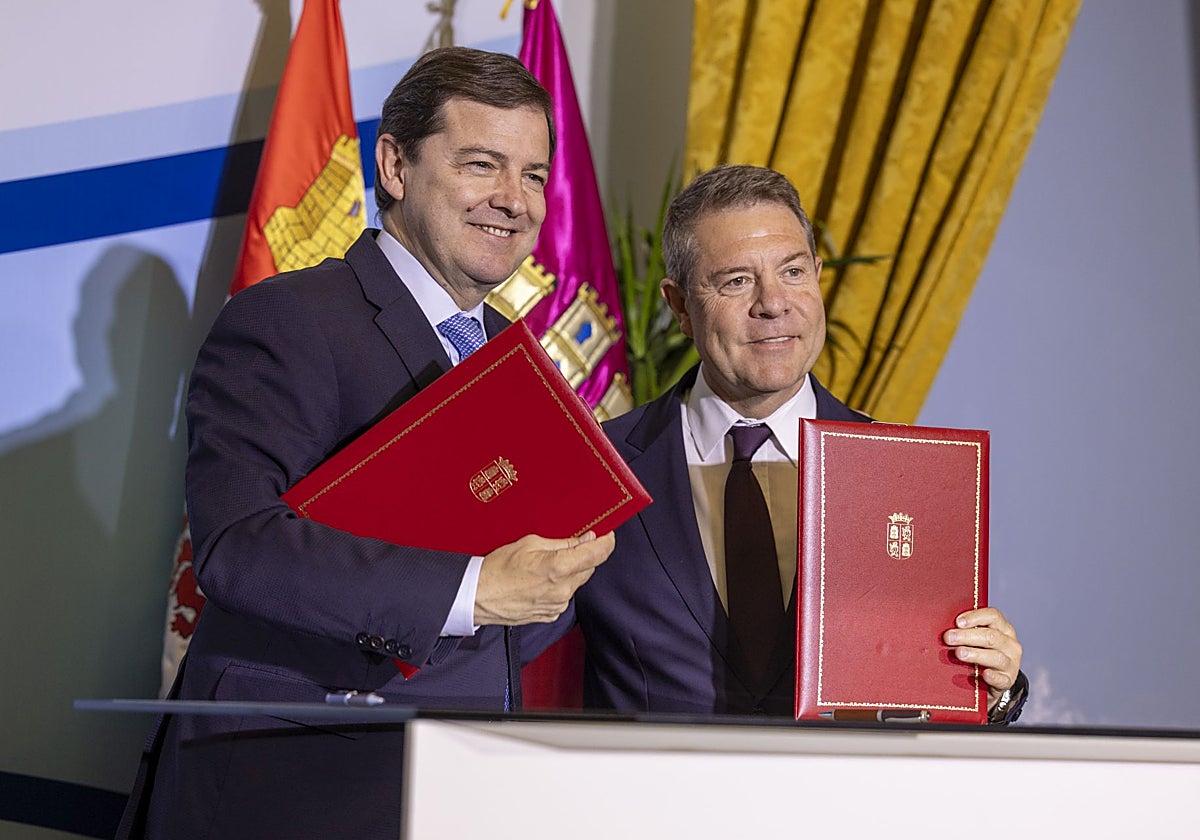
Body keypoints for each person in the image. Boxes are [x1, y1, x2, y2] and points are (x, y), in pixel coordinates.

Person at [118, 46, 614, 839]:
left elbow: (515, 604)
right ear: (394, 164)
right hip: (288, 782)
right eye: (482, 164)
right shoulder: (285, 318)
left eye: (531, 174)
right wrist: (473, 588)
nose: (515, 200)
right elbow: (239, 547)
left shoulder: (517, 362)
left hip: (461, 781)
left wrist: (551, 580)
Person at [575, 164, 1026, 721]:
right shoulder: (596, 465)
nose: (773, 303)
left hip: (837, 804)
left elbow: (928, 701)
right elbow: (511, 661)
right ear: (680, 306)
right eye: (736, 281)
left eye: (792, 272)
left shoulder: (905, 474)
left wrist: (994, 686)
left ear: (816, 276)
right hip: (652, 801)